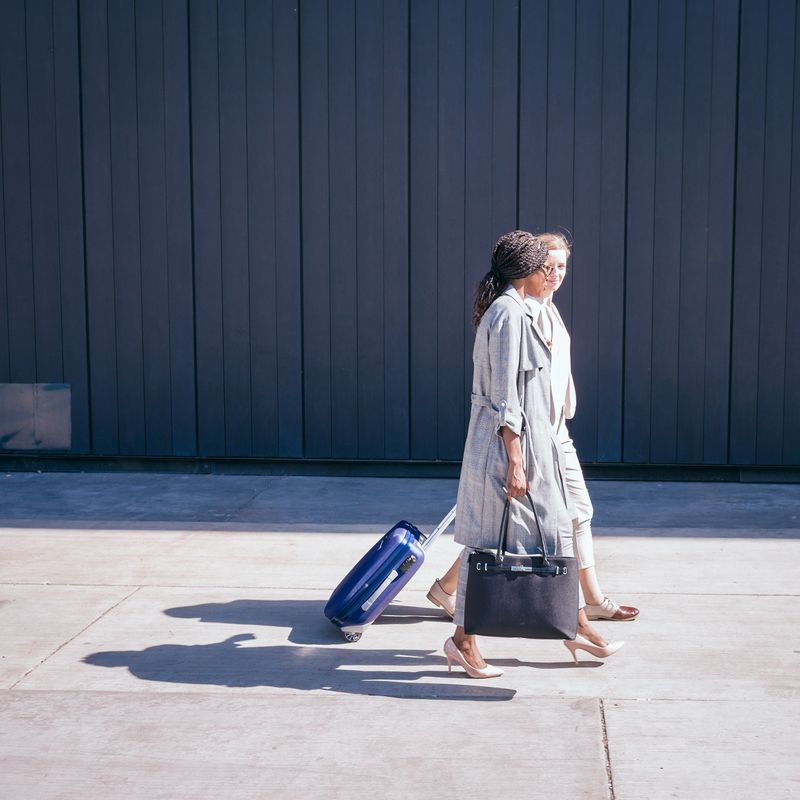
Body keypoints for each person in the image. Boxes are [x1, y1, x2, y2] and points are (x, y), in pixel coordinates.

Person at [429, 232, 639, 625]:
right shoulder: (516, 313)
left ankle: (456, 600)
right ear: (529, 268)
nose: (555, 274)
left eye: (562, 266)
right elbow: (507, 391)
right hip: (534, 436)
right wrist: (517, 456)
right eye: (548, 266)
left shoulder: (543, 308)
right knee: (524, 526)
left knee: (516, 526)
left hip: (552, 431)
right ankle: (569, 612)